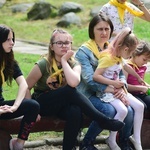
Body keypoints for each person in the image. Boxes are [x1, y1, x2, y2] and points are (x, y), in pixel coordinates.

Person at [25, 28, 124, 150]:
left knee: (75, 110)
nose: (64, 46)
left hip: (62, 104)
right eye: (59, 43)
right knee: (69, 90)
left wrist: (64, 61)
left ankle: (69, 147)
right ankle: (102, 119)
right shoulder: (43, 64)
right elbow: (26, 87)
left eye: (67, 43)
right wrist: (32, 110)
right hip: (43, 103)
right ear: (51, 46)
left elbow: (74, 81)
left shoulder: (74, 63)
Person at [75, 13, 134, 150]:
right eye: (100, 29)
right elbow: (89, 80)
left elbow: (120, 72)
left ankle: (122, 141)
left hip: (109, 91)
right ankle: (87, 143)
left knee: (129, 110)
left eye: (107, 29)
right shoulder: (83, 52)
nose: (104, 32)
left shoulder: (112, 48)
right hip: (88, 93)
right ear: (92, 30)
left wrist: (122, 87)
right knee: (108, 110)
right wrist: (113, 89)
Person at [93, 27, 144, 150]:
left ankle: (137, 140)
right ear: (125, 49)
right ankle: (111, 139)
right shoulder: (108, 58)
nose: (130, 56)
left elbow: (126, 67)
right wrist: (113, 83)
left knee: (140, 106)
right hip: (107, 92)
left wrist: (138, 77)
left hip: (117, 89)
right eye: (130, 54)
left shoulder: (119, 56)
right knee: (123, 110)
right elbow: (96, 76)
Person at [0, 24, 40, 150]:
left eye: (12, 39)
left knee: (32, 105)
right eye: (8, 40)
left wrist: (15, 106)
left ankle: (18, 144)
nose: (12, 43)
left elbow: (23, 84)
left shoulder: (7, 60)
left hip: (1, 106)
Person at [125, 41, 150, 111]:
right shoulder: (127, 66)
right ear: (136, 54)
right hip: (130, 94)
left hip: (140, 93)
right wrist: (141, 88)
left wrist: (146, 85)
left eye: (147, 61)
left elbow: (141, 82)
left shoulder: (142, 68)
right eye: (144, 60)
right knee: (143, 106)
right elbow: (124, 85)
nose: (145, 63)